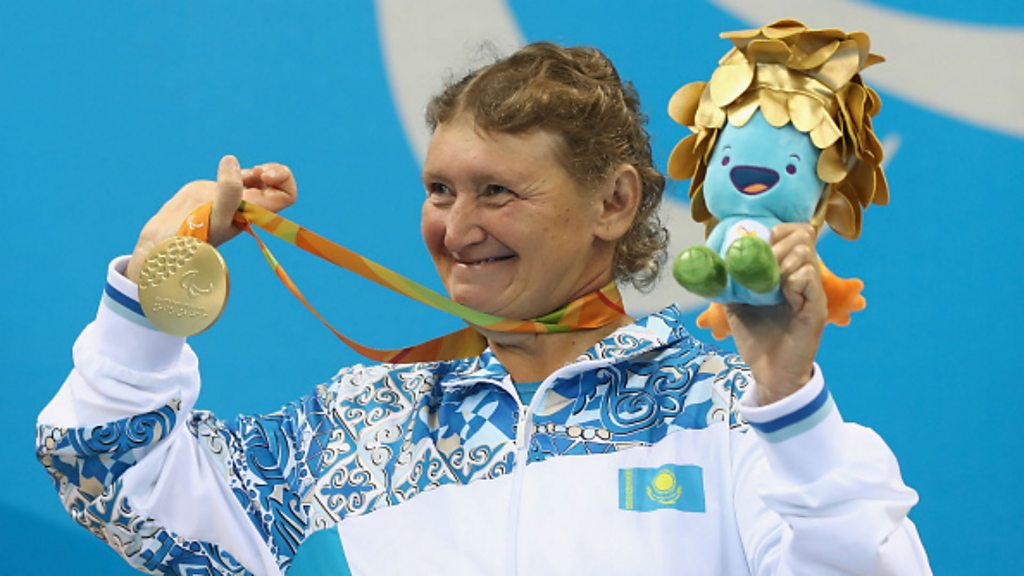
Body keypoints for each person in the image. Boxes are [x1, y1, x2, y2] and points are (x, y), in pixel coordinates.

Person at [36, 42, 931, 575]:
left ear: (614, 202)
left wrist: (789, 400)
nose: (457, 228)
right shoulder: (357, 425)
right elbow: (109, 473)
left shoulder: (728, 415)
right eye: (440, 190)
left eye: (498, 191)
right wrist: (151, 282)